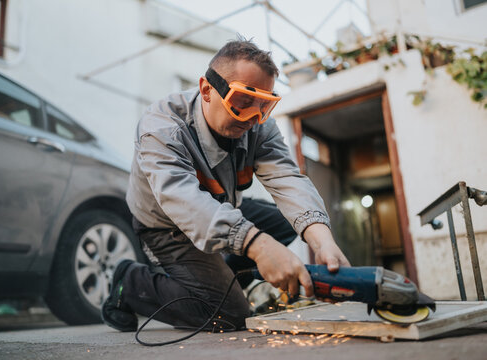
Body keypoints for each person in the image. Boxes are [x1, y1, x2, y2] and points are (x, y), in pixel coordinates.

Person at [101, 39, 350, 332]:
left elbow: (286, 178)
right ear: (207, 89)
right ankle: (130, 283)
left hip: (223, 207)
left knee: (283, 224)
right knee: (229, 315)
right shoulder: (162, 127)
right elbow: (183, 201)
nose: (252, 118)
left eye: (264, 105)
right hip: (167, 227)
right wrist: (257, 246)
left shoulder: (259, 125)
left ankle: (220, 280)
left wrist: (323, 240)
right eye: (243, 101)